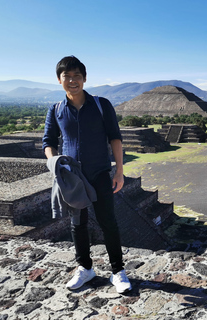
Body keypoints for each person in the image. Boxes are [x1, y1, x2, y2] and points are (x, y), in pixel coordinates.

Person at [42, 56, 131, 294]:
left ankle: (117, 270)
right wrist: (54, 163)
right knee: (77, 224)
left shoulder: (101, 105)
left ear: (84, 78)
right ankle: (85, 268)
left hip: (100, 172)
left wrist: (119, 171)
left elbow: (115, 138)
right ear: (59, 80)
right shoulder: (56, 110)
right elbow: (48, 142)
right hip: (72, 177)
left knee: (108, 222)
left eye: (77, 76)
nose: (72, 81)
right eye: (67, 77)